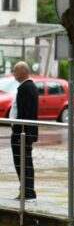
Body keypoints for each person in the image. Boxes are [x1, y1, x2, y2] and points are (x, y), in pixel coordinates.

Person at [9, 61, 38, 200]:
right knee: (23, 162)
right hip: (22, 132)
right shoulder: (26, 87)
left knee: (22, 162)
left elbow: (26, 113)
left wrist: (22, 133)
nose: (13, 73)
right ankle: (26, 190)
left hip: (22, 133)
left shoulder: (26, 88)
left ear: (23, 72)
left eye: (15, 70)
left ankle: (27, 191)